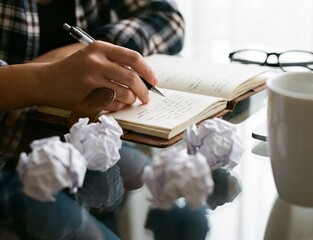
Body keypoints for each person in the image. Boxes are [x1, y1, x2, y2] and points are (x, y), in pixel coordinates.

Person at [0, 0, 185, 239]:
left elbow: (167, 18)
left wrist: (96, 50)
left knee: (186, 218)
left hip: (89, 153)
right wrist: (37, 79)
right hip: (15, 165)